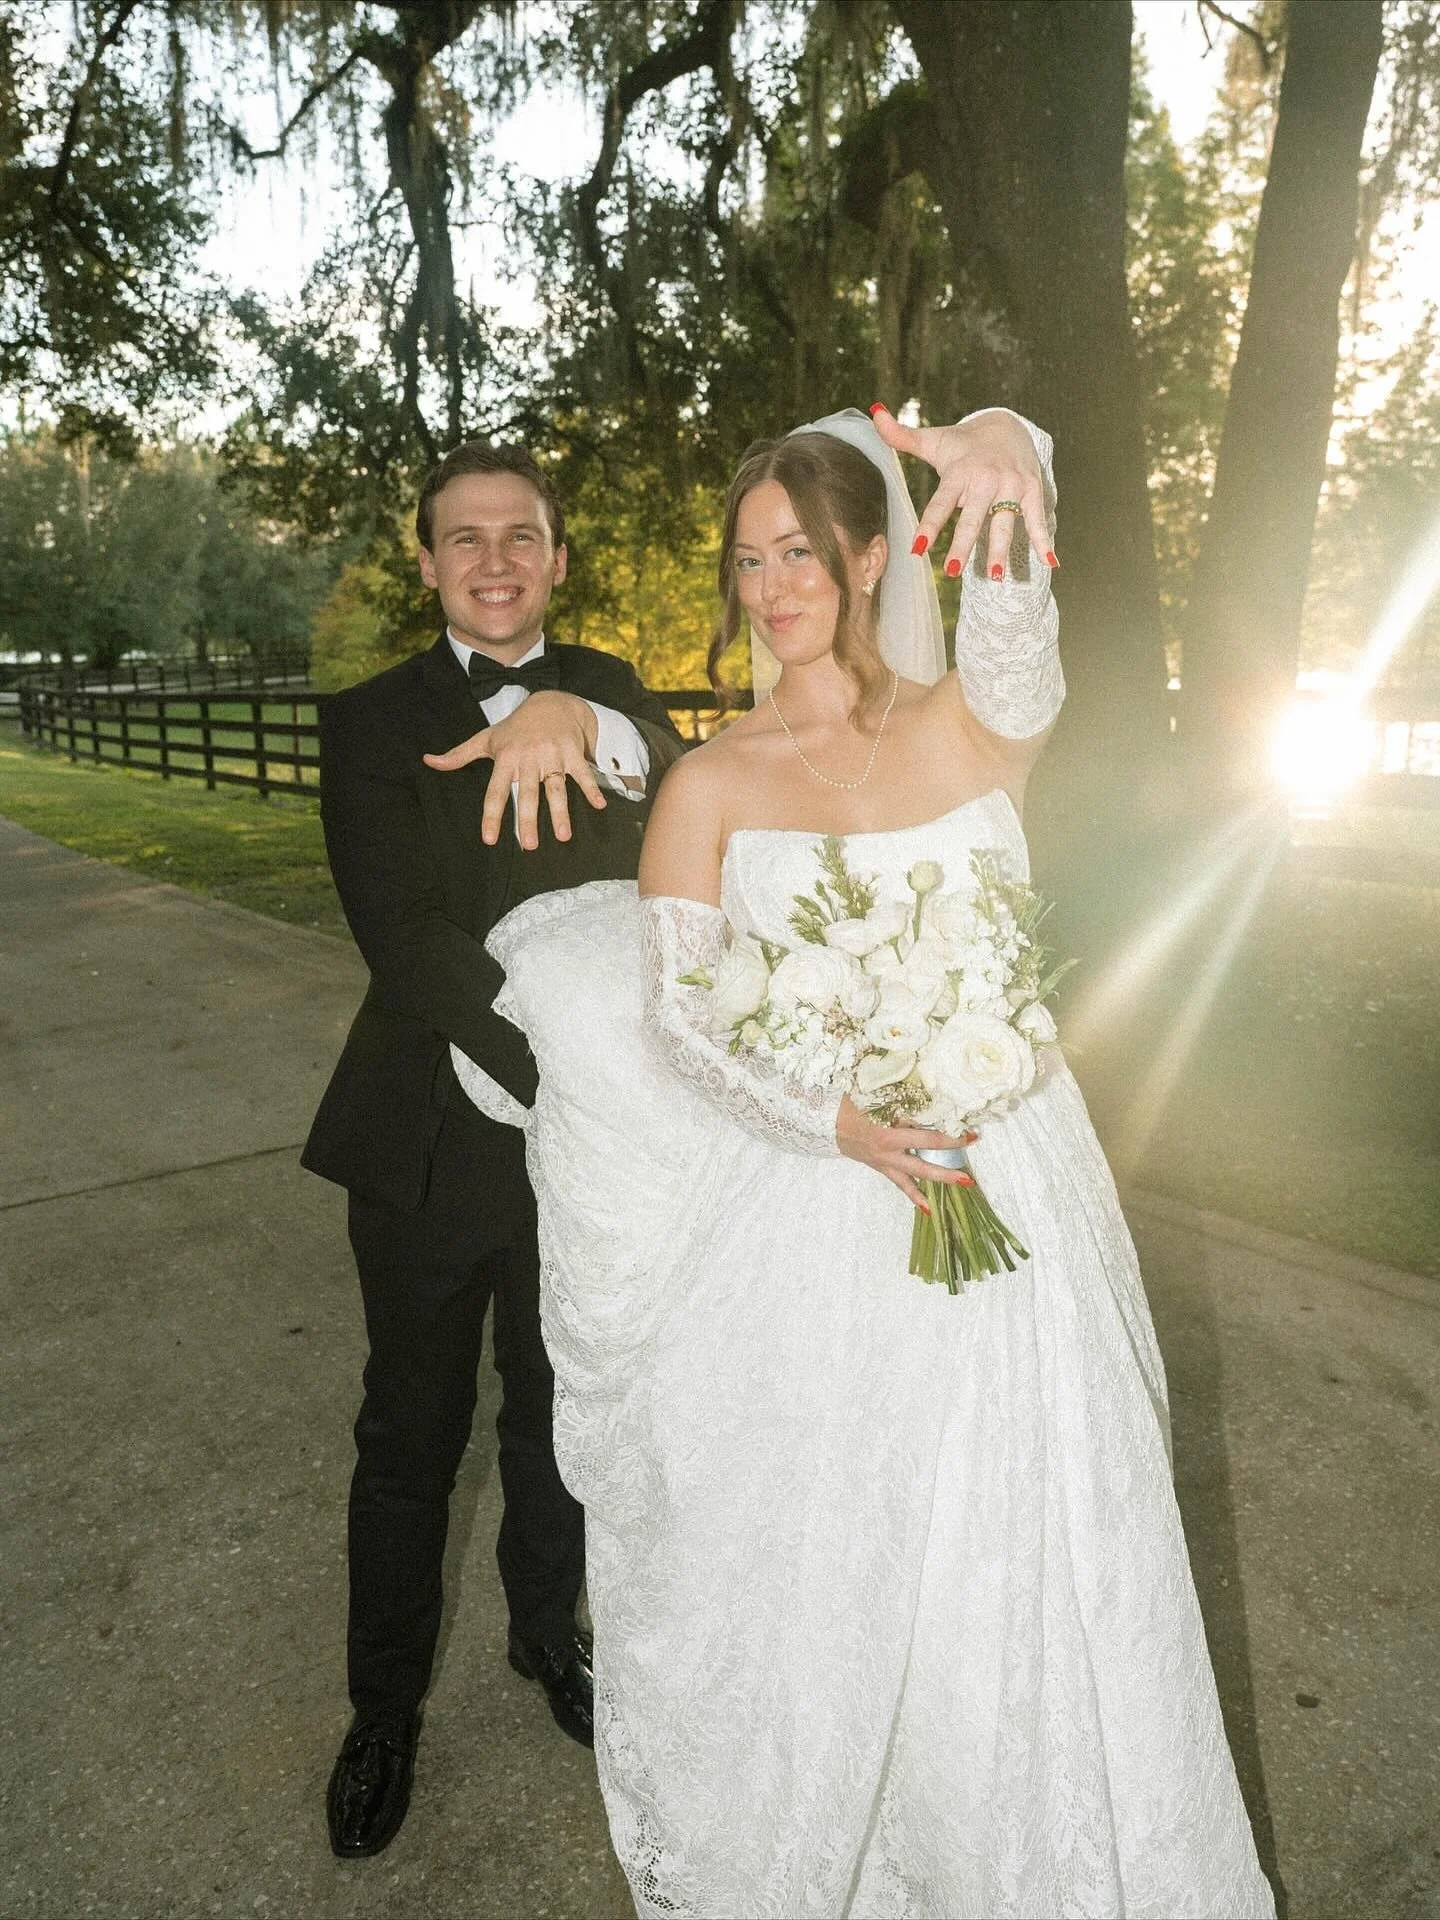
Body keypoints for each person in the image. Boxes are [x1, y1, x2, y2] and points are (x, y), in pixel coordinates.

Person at [442, 405, 1276, 1917]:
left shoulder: (970, 723)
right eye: (749, 559)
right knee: (853, 1551)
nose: (771, 586)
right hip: (827, 1201)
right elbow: (688, 1023)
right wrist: (836, 1121)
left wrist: (1014, 453)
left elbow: (1021, 637)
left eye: (801, 554)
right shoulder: (708, 784)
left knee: (1028, 1530)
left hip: (1014, 1174)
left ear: (873, 556)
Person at [301, 439, 686, 1860]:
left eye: (522, 534)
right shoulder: (364, 720)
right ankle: (383, 1712)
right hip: (429, 1135)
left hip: (592, 1157)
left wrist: (590, 711)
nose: (496, 560)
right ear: (426, 562)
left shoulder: (619, 693)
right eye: (464, 539)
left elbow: (702, 817)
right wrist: (565, 1073)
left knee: (555, 1413)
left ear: (560, 556)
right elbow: (405, 941)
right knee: (410, 1437)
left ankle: (544, 1636)